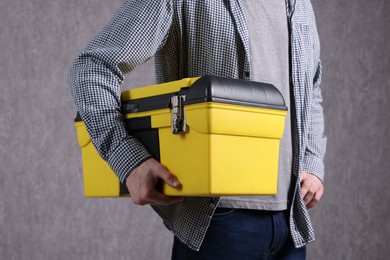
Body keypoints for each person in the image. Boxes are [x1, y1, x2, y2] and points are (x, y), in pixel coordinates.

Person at [69, 0, 327, 259]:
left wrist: (313, 160)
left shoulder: (299, 3)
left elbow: (311, 86)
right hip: (219, 223)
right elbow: (92, 68)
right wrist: (129, 159)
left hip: (292, 222)